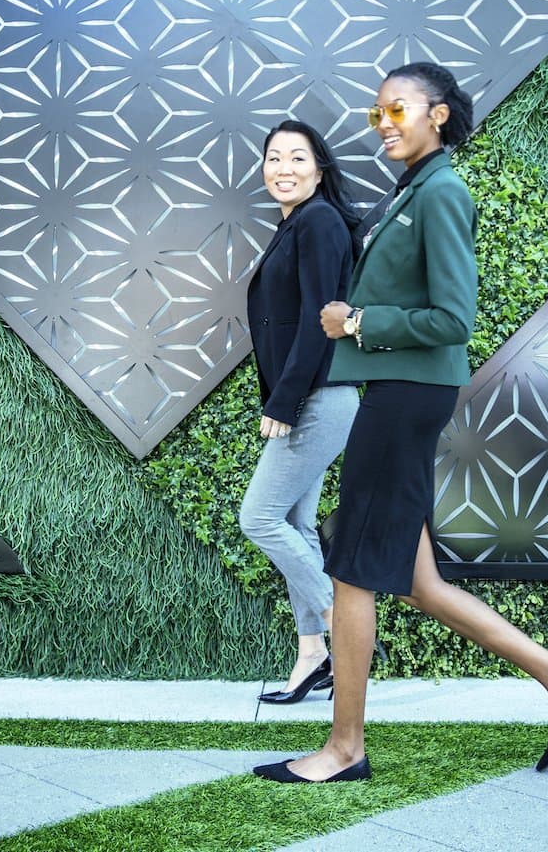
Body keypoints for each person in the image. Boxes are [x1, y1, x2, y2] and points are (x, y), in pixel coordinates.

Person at [253, 61, 548, 780]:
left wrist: (357, 319)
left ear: (437, 114)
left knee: (351, 571)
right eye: (376, 114)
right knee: (419, 582)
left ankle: (343, 749)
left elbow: (453, 317)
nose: (383, 123)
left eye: (398, 110)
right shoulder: (408, 191)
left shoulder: (441, 192)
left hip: (403, 395)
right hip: (393, 390)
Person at [239, 120, 361, 704]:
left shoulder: (320, 222)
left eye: (297, 157)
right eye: (273, 158)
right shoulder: (294, 225)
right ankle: (313, 653)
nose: (283, 168)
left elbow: (322, 314)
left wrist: (284, 401)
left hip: (318, 399)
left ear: (320, 167)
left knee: (258, 519)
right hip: (313, 397)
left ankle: (342, 622)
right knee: (295, 526)